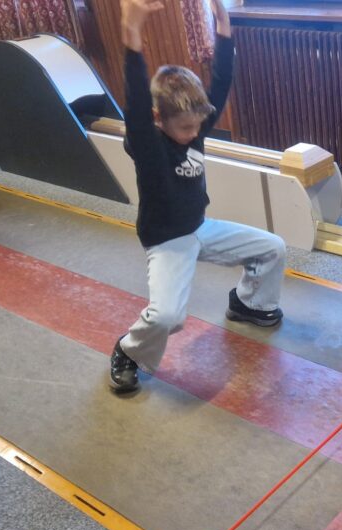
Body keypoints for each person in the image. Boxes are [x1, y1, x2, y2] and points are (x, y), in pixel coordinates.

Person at [109, 0, 287, 393]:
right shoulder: (149, 145)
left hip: (200, 228)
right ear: (159, 119)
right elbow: (136, 105)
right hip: (167, 241)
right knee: (168, 317)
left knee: (272, 248)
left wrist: (223, 25)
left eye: (197, 126)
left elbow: (220, 83)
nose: (195, 134)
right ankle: (128, 351)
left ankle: (247, 304)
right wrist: (131, 33)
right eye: (186, 128)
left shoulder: (194, 128)